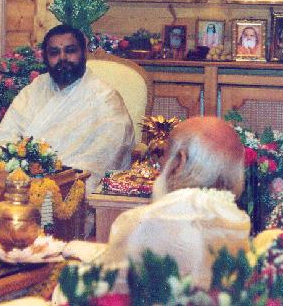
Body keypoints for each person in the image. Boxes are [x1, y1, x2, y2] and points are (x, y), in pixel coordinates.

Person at [100, 116, 250, 289]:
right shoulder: (239, 222)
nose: (160, 162)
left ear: (180, 161)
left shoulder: (142, 221)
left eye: (164, 154)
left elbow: (108, 290)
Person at [0, 24, 134, 193]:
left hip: (73, 186)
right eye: (54, 53)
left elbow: (105, 155)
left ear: (83, 53)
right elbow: (4, 136)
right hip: (23, 183)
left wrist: (54, 178)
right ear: (46, 57)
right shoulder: (36, 88)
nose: (62, 58)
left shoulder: (105, 97)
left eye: (70, 50)